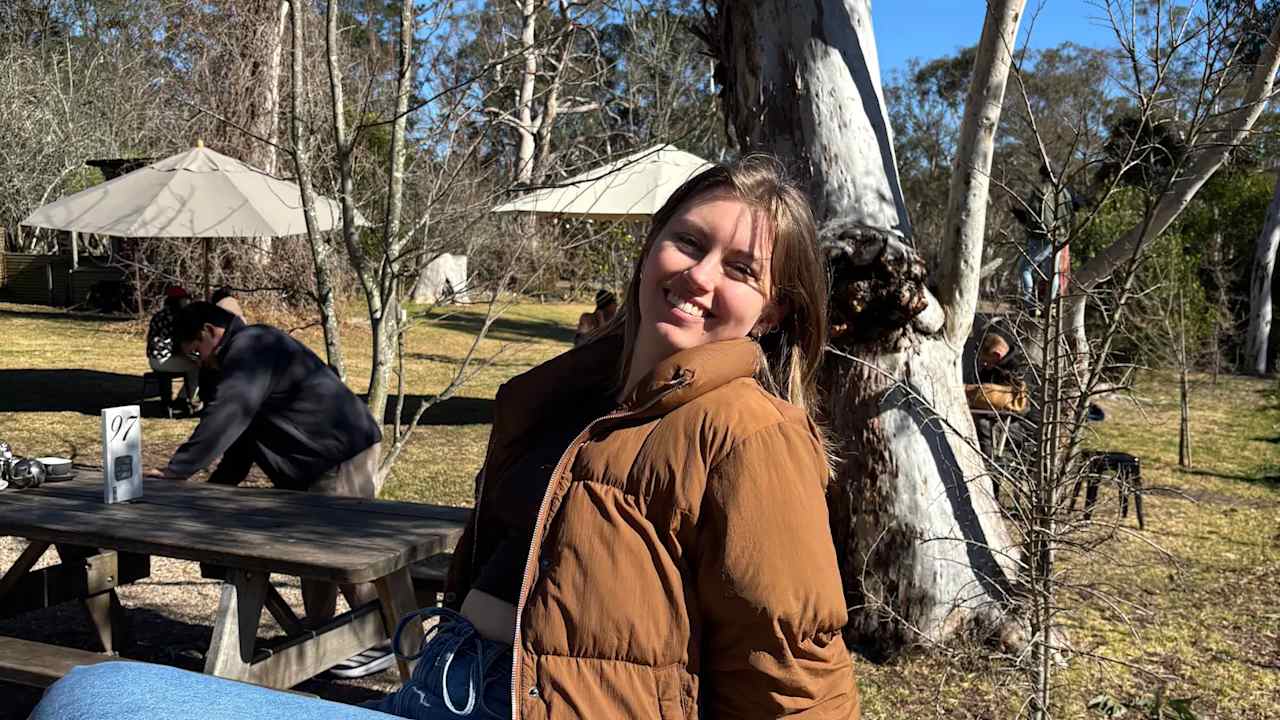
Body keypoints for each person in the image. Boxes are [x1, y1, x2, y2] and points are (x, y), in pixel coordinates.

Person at [32, 155, 860, 719]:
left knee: (96, 699)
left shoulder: (751, 432)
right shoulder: (566, 396)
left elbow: (793, 666)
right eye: (688, 241)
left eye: (742, 269)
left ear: (775, 310)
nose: (700, 276)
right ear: (651, 249)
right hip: (437, 680)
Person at [157, 302, 386, 668]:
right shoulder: (238, 359)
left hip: (338, 453)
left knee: (343, 552)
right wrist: (214, 489)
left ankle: (385, 639)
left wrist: (176, 472)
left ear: (209, 331)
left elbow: (228, 415)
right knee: (313, 553)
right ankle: (320, 637)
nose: (198, 362)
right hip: (315, 463)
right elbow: (243, 439)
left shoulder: (251, 348)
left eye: (195, 352)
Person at [146, 286, 200, 416]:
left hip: (154, 361)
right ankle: (188, 400)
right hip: (170, 359)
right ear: (180, 300)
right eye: (185, 299)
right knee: (197, 368)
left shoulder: (158, 315)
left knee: (166, 373)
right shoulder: (182, 317)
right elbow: (182, 343)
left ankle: (167, 404)